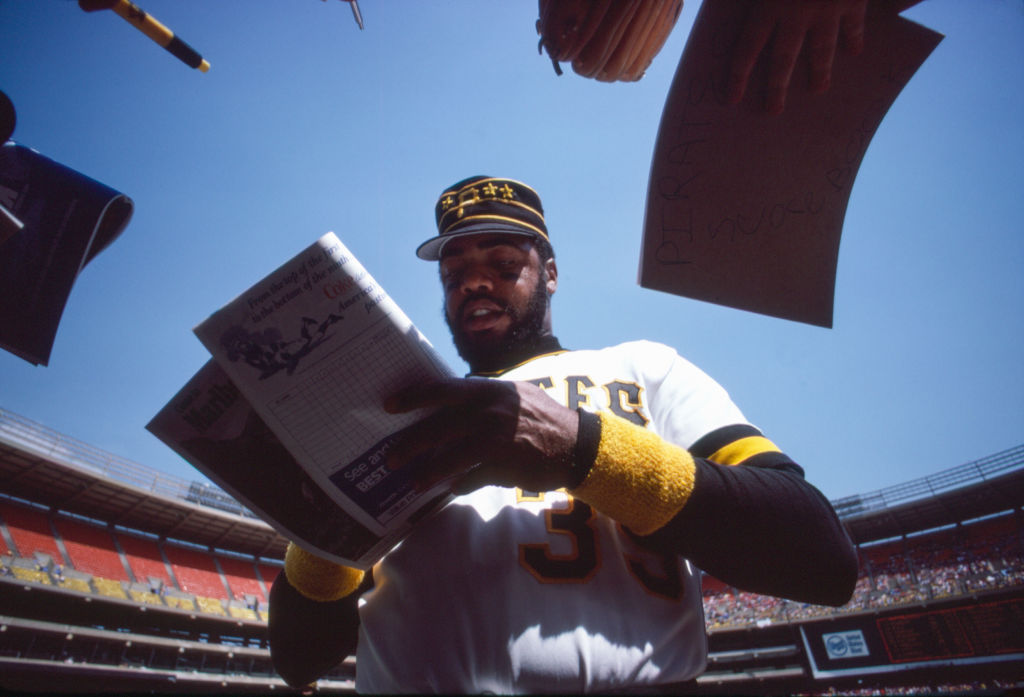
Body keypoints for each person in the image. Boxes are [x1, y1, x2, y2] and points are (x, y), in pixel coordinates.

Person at [269, 175, 859, 693]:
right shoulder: (397, 420)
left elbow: (823, 558)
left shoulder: (643, 367)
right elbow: (299, 660)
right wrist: (328, 527)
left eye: (502, 266)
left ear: (550, 274)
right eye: (454, 276)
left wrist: (581, 449)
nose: (473, 285)